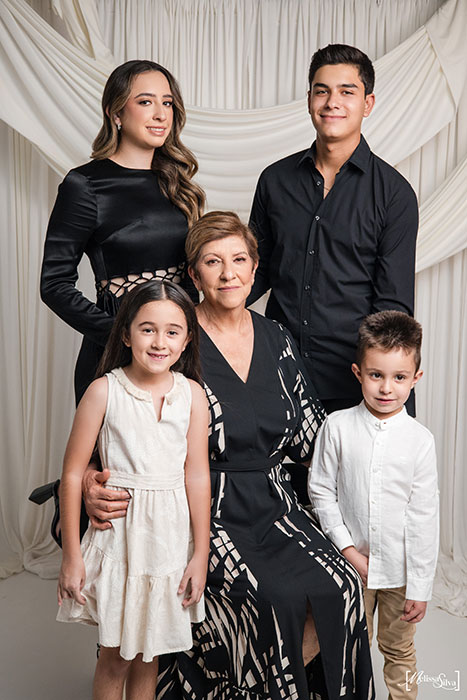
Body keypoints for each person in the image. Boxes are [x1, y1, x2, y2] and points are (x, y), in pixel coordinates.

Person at [84, 212, 375, 699]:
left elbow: (314, 437)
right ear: (193, 275)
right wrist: (91, 477)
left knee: (343, 584)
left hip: (276, 504)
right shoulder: (173, 337)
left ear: (255, 268)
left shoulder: (278, 339)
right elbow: (118, 415)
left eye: (239, 260)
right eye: (212, 262)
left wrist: (383, 459)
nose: (228, 274)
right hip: (201, 508)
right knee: (271, 597)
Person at [56, 280, 211, 700]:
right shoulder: (104, 391)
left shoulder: (193, 396)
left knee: (149, 654)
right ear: (126, 335)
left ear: (187, 339)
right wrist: (71, 555)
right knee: (116, 657)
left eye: (172, 331)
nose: (159, 342)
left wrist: (200, 553)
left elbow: (197, 475)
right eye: (147, 329)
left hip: (169, 542)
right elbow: (72, 475)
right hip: (121, 541)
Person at [248, 44, 418, 415]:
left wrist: (384, 398)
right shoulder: (274, 180)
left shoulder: (395, 194)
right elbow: (253, 272)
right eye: (322, 91)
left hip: (354, 384)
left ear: (368, 104)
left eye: (346, 91)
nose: (332, 102)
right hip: (279, 375)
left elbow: (393, 308)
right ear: (309, 99)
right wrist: (195, 311)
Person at [40, 59, 204, 404]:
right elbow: (54, 284)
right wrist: (121, 335)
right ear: (115, 113)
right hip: (114, 356)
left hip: (176, 354)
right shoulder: (84, 185)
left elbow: (189, 278)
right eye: (145, 101)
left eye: (167, 103)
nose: (160, 114)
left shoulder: (177, 183)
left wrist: (185, 336)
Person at [308, 310, 439, 699]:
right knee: (348, 650)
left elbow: (424, 516)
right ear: (358, 372)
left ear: (415, 378)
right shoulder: (336, 427)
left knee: (399, 651)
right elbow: (321, 491)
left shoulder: (420, 441)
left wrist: (420, 585)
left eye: (399, 377)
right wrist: (348, 551)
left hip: (401, 573)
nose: (386, 388)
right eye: (376, 375)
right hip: (351, 570)